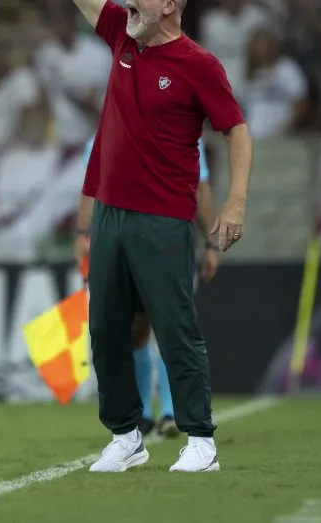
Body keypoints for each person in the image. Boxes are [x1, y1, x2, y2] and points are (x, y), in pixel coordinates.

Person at [17, 0, 253, 473]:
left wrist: (233, 204)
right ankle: (126, 434)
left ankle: (200, 439)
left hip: (164, 217)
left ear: (167, 4)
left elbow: (237, 132)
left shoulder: (199, 64)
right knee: (105, 331)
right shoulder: (122, 36)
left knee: (176, 328)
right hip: (112, 215)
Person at [75, 136, 220, 439]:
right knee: (136, 329)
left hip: (167, 239)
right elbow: (92, 187)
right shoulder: (104, 137)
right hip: (122, 242)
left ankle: (172, 411)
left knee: (170, 324)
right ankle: (143, 415)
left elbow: (200, 185)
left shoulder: (184, 134)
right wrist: (82, 234)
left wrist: (210, 242)